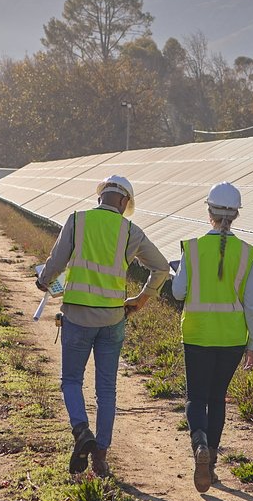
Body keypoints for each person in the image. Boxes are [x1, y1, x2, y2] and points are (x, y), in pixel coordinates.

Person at [35, 174, 170, 479]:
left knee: (71, 380)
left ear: (101, 197)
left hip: (77, 317)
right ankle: (101, 459)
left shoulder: (77, 221)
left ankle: (81, 429)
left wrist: (43, 282)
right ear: (124, 202)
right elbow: (161, 268)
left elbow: (57, 263)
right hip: (112, 320)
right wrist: (140, 300)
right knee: (106, 390)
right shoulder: (130, 231)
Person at [169, 182, 253, 494]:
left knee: (196, 397)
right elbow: (251, 304)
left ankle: (199, 444)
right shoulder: (246, 253)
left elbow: (178, 292)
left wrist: (180, 271)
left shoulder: (192, 249)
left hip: (197, 333)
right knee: (217, 399)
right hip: (233, 337)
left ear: (208, 211)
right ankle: (211, 467)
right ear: (235, 215)